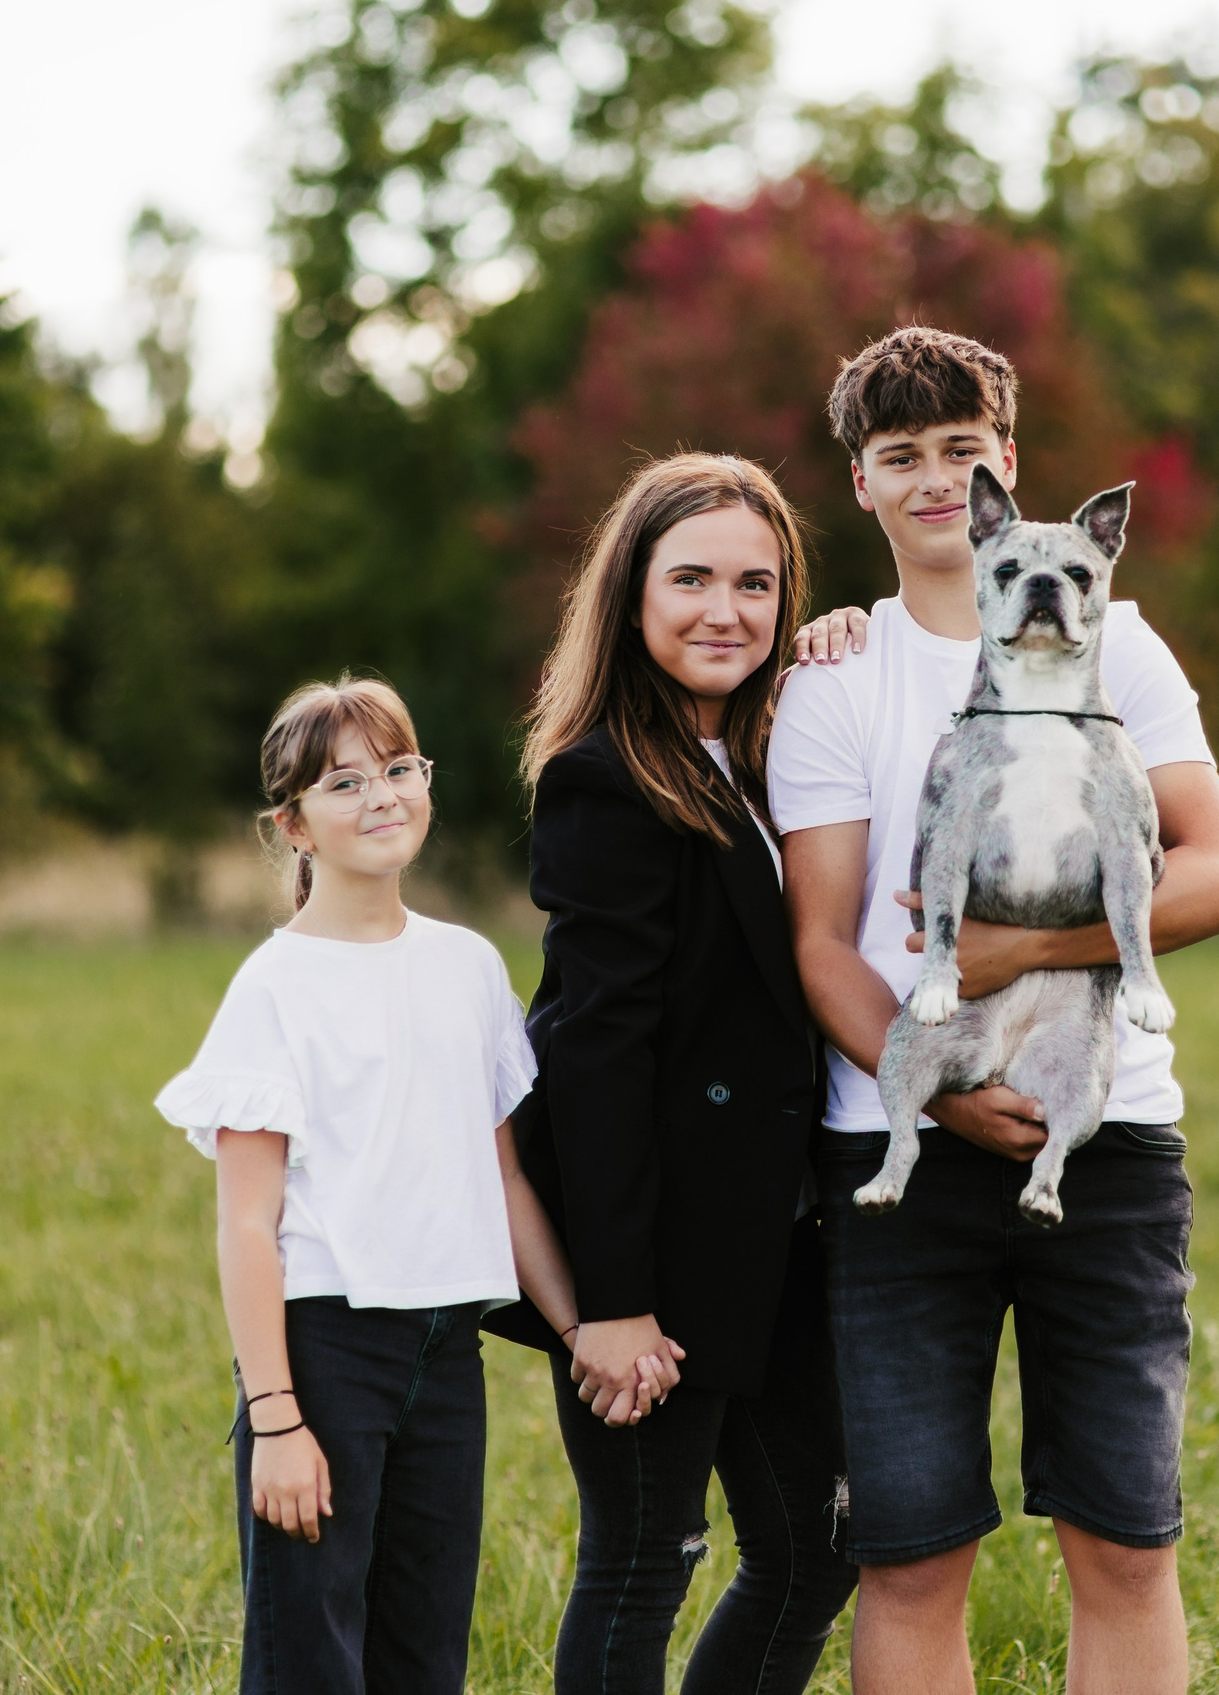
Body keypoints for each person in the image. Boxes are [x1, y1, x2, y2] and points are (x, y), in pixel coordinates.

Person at [770, 327, 1219, 1695]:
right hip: (898, 1155)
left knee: (1126, 1543)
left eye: (959, 448)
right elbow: (820, 943)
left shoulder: (1127, 645)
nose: (934, 477)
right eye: (901, 456)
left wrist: (1015, 949)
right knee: (909, 1556)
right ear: (861, 482)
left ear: (1008, 463)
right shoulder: (831, 680)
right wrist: (945, 1087)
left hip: (1107, 1140)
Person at [155, 674, 658, 1695]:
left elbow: (503, 1178)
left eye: (397, 768)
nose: (380, 795)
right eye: (343, 783)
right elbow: (247, 1225)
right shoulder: (274, 986)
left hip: (447, 1354)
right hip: (325, 1355)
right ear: (295, 824)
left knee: (425, 1658)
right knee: (311, 1661)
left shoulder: (466, 966)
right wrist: (278, 1418)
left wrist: (578, 1329)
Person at [487, 452, 860, 1695]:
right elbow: (593, 1052)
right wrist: (612, 1301)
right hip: (654, 1246)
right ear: (630, 593)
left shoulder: (773, 752)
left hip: (775, 1231)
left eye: (756, 584)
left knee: (816, 1548)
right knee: (647, 1556)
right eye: (690, 577)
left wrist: (848, 644)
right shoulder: (604, 776)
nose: (724, 610)